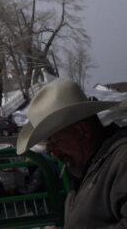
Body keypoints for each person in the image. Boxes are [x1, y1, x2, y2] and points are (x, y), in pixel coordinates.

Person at [16, 78, 127, 228]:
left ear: (82, 131)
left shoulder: (121, 161)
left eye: (54, 142)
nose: (53, 152)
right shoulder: (91, 166)